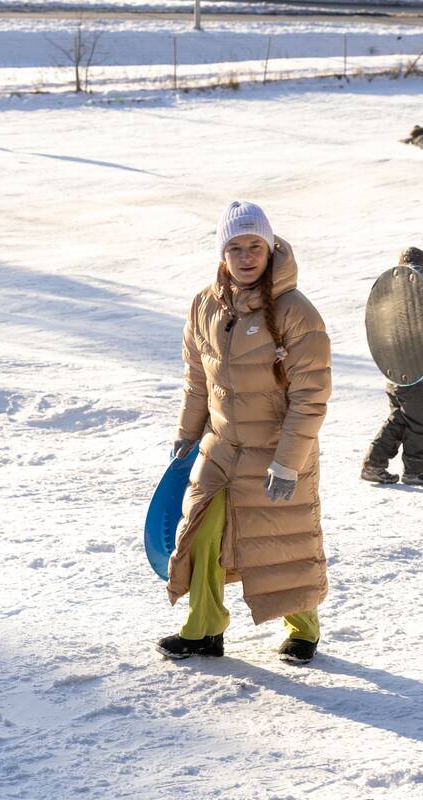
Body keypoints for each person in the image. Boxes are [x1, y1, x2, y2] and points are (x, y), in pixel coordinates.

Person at [156, 201, 332, 664]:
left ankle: (304, 628)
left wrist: (289, 461)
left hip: (276, 451)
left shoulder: (297, 313)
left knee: (281, 544)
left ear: (270, 247)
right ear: (223, 254)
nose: (246, 256)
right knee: (200, 535)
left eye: (255, 245)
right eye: (235, 247)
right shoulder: (204, 305)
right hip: (220, 448)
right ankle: (203, 629)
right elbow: (198, 379)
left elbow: (310, 397)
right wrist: (187, 433)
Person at [361, 247, 423, 488]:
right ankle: (415, 471)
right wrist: (421, 372)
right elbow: (408, 343)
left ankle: (374, 464)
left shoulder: (394, 302)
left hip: (398, 372)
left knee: (400, 419)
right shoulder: (410, 299)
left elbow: (413, 345)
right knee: (420, 421)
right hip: (410, 377)